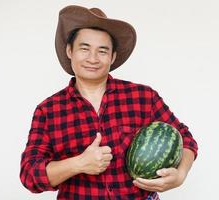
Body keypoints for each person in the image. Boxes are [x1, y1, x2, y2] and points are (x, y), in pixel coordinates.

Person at [20, 5, 198, 200]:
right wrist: (78, 164)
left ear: (112, 57)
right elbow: (30, 174)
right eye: (84, 48)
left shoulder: (143, 97)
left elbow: (184, 137)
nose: (93, 58)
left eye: (102, 51)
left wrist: (179, 176)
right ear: (70, 51)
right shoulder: (48, 110)